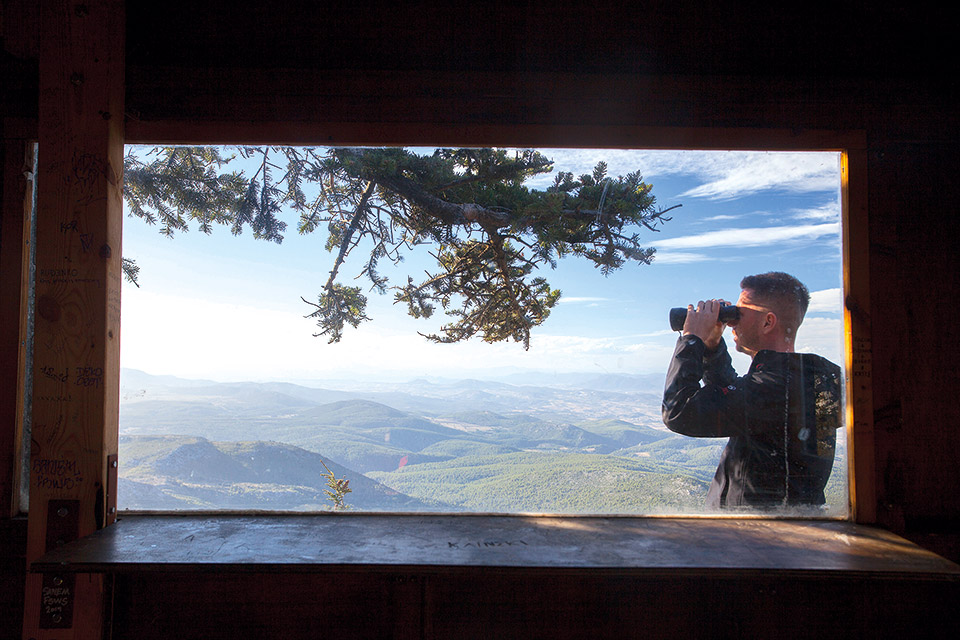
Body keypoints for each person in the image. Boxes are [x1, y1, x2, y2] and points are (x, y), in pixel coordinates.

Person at [662, 272, 842, 510]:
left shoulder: (777, 388)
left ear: (768, 322)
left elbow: (678, 412)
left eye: (739, 314)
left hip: (754, 537)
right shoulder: (800, 380)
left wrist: (692, 338)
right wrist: (712, 347)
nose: (731, 322)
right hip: (771, 531)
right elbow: (738, 397)